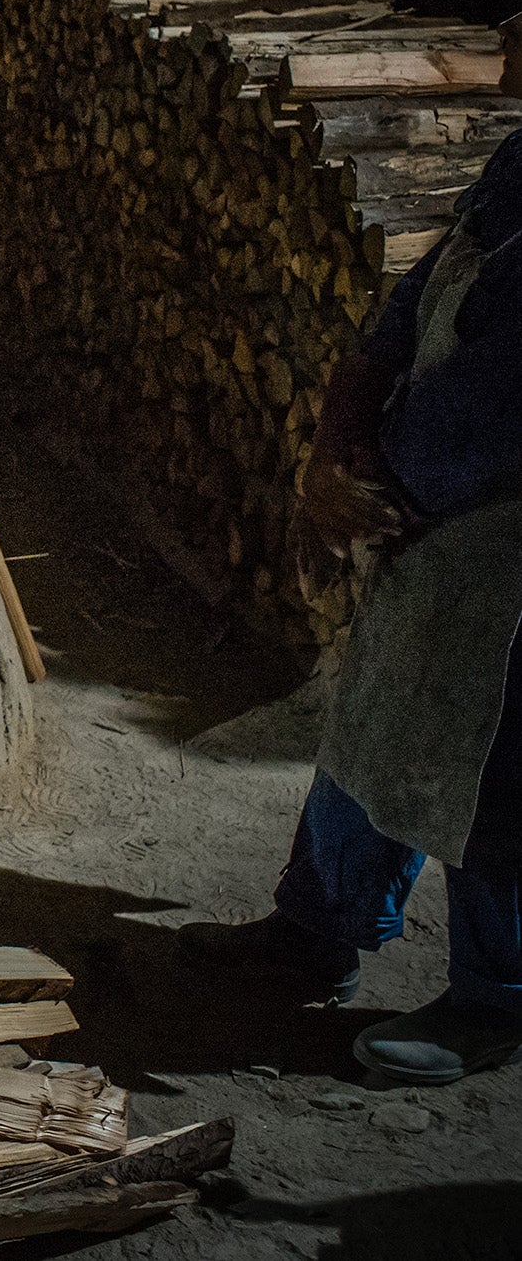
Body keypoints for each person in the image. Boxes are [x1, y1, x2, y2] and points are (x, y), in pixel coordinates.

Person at [181, 129, 522, 1084]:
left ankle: (498, 999)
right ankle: (317, 926)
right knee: (374, 715)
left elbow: (497, 402)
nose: (504, 45)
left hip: (499, 536)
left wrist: (372, 489)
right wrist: (340, 438)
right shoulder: (518, 163)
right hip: (430, 522)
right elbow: (414, 302)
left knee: (492, 772)